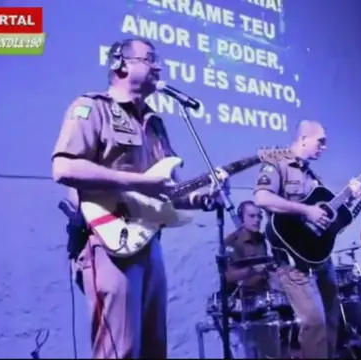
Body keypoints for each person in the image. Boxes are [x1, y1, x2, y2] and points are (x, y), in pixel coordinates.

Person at [51, 38, 227, 358]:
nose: (158, 66)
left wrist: (202, 198)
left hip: (147, 242)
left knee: (153, 347)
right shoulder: (92, 107)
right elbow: (63, 167)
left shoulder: (154, 122)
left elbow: (166, 189)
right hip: (106, 242)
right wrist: (140, 182)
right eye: (149, 59)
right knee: (120, 349)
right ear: (121, 63)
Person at [253, 120, 361, 359]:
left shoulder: (312, 175)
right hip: (293, 263)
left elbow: (327, 217)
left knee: (333, 319)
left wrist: (352, 198)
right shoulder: (277, 164)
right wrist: (306, 211)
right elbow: (261, 198)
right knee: (314, 323)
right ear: (303, 139)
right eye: (320, 141)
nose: (324, 147)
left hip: (320, 258)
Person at [224, 200, 289, 358]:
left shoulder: (261, 239)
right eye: (252, 216)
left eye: (259, 216)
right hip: (244, 301)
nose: (257, 220)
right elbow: (228, 276)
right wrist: (251, 270)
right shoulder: (231, 242)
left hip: (264, 297)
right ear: (241, 218)